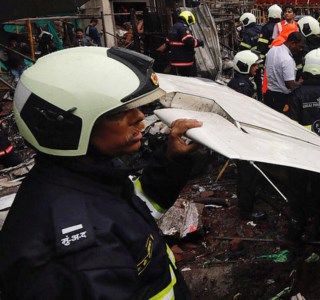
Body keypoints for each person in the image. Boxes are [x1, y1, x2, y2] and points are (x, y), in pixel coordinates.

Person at [0, 47, 202, 299]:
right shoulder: (82, 256)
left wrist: (171, 161)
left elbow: (133, 210)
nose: (140, 116)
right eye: (119, 112)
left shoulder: (86, 174)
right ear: (68, 127)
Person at [227, 50, 267, 221]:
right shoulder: (242, 87)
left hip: (241, 133)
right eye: (254, 65)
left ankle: (248, 197)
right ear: (245, 66)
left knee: (248, 172)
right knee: (247, 173)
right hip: (244, 134)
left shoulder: (240, 82)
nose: (257, 68)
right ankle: (247, 210)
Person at [263, 32, 304, 113]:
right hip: (281, 99)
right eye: (300, 46)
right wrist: (300, 82)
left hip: (269, 95)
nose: (300, 49)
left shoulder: (272, 50)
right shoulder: (287, 59)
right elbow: (290, 85)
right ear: (292, 43)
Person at [166, 10, 204, 77]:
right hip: (186, 62)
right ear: (187, 18)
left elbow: (167, 43)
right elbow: (189, 42)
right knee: (190, 82)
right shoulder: (183, 28)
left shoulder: (173, 28)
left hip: (175, 62)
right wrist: (199, 42)